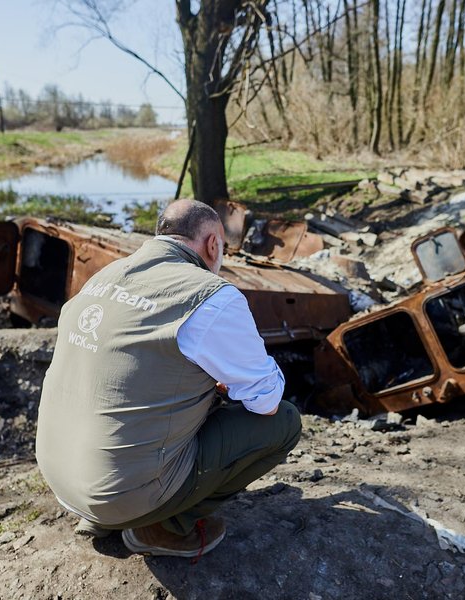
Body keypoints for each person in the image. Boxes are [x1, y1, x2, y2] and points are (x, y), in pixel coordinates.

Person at [35, 199, 301, 560]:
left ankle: (102, 514)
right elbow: (266, 400)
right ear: (213, 244)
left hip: (60, 476)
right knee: (284, 422)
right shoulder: (211, 296)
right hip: (115, 494)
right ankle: (163, 527)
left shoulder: (105, 276)